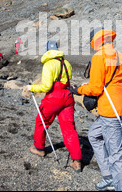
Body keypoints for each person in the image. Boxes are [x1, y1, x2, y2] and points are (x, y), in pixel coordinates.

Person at [70, 28, 122, 191]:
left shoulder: (99, 56)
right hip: (120, 104)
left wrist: (79, 90)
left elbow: (96, 88)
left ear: (95, 40)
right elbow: (115, 80)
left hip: (109, 109)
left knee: (117, 154)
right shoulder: (119, 55)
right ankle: (108, 176)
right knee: (94, 135)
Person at [25, 41, 82, 172]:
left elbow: (46, 86)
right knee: (69, 128)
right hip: (67, 97)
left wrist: (31, 87)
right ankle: (77, 160)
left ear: (47, 51)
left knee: (41, 122)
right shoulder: (66, 63)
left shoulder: (48, 64)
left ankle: (39, 149)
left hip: (54, 98)